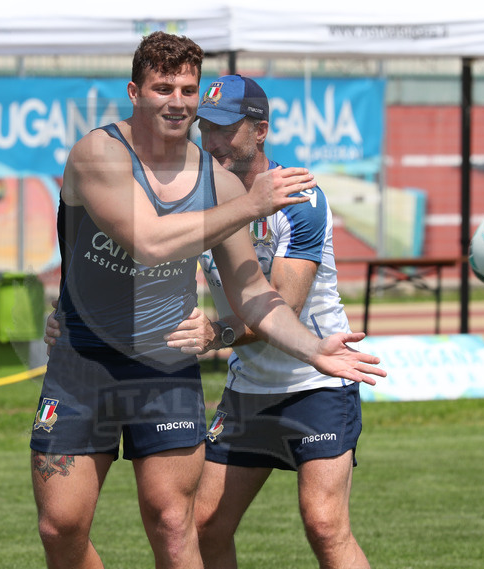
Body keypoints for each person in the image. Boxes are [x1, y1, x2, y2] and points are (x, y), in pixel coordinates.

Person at [32, 32, 384, 569]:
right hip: (82, 363)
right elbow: (149, 242)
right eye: (163, 87)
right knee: (61, 528)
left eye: (187, 89)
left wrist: (315, 350)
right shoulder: (98, 152)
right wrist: (249, 206)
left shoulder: (219, 184)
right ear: (134, 91)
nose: (177, 101)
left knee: (177, 525)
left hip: (165, 366)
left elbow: (252, 293)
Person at [166, 75, 372, 568]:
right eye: (205, 128)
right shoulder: (199, 200)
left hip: (317, 381)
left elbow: (281, 306)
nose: (211, 141)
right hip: (248, 391)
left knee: (325, 525)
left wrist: (216, 333)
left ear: (259, 131)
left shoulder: (299, 197)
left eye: (225, 129)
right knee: (205, 526)